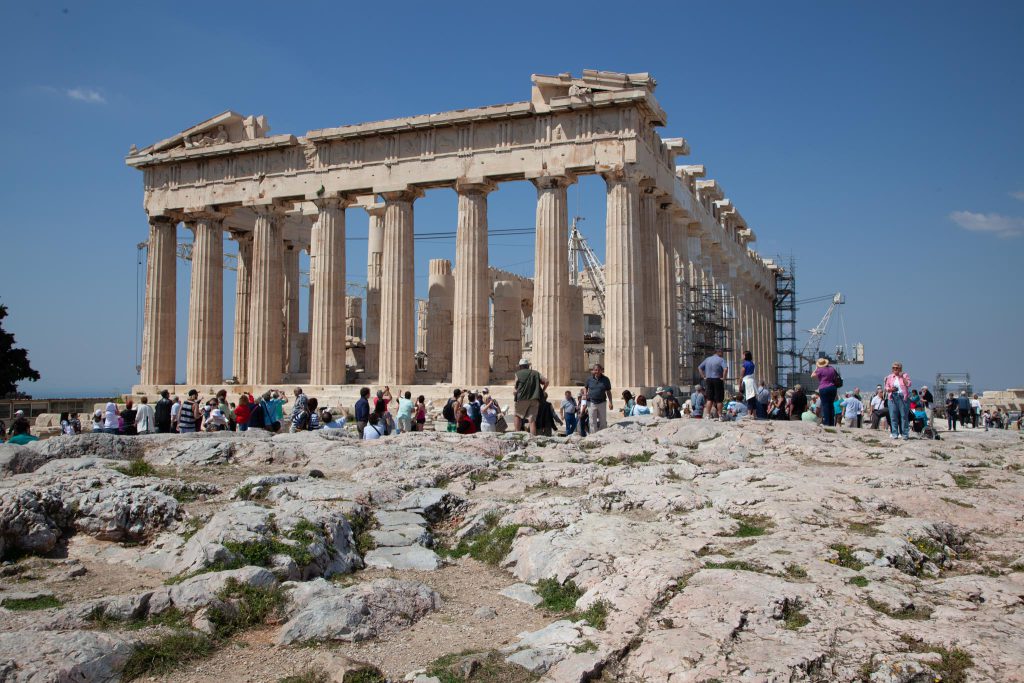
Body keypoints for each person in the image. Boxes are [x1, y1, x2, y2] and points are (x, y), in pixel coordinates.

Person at [514, 358, 547, 436]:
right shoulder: (536, 373)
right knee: (531, 419)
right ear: (528, 366)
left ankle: (516, 435)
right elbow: (547, 381)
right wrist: (542, 390)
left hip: (522, 398)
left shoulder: (518, 374)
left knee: (517, 415)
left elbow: (516, 386)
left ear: (520, 366)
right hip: (535, 399)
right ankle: (532, 437)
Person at [698, 349, 729, 420]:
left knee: (709, 399)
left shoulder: (707, 359)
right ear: (719, 352)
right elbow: (725, 369)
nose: (722, 354)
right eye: (722, 352)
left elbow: (699, 367)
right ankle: (720, 415)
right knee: (719, 399)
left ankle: (707, 415)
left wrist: (704, 376)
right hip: (718, 379)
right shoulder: (721, 360)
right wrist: (724, 378)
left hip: (708, 379)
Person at [884, 361, 912, 440]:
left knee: (904, 416)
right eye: (893, 368)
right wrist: (891, 389)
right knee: (893, 416)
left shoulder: (905, 375)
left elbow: (909, 384)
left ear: (900, 368)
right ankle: (894, 433)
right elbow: (886, 387)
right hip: (892, 397)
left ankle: (905, 434)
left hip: (903, 397)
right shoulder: (889, 377)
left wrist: (902, 377)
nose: (895, 369)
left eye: (897, 368)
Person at [811, 358, 840, 427]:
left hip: (824, 388)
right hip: (833, 388)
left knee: (825, 405)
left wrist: (816, 368)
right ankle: (832, 422)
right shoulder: (832, 368)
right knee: (831, 405)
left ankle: (827, 423)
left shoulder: (820, 370)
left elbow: (812, 375)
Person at [585, 364, 613, 433]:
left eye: (598, 370)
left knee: (603, 421)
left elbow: (608, 391)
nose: (597, 371)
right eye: (595, 370)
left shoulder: (606, 379)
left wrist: (610, 402)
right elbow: (586, 387)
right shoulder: (589, 379)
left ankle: (602, 436)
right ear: (593, 371)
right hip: (591, 402)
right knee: (592, 421)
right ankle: (593, 436)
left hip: (602, 402)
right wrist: (586, 395)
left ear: (601, 371)